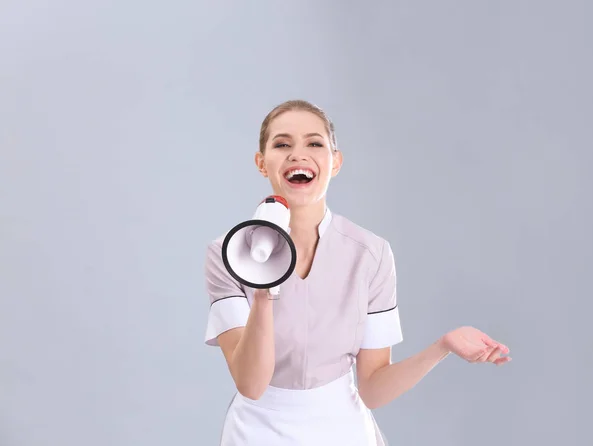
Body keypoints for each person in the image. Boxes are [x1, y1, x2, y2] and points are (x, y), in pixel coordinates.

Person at [203, 100, 511, 445]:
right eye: (282, 144)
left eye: (315, 143)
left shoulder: (371, 254)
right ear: (262, 163)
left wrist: (442, 347)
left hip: (343, 432)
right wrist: (263, 288)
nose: (297, 154)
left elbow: (373, 390)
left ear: (335, 162)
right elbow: (251, 384)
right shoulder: (228, 253)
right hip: (257, 432)